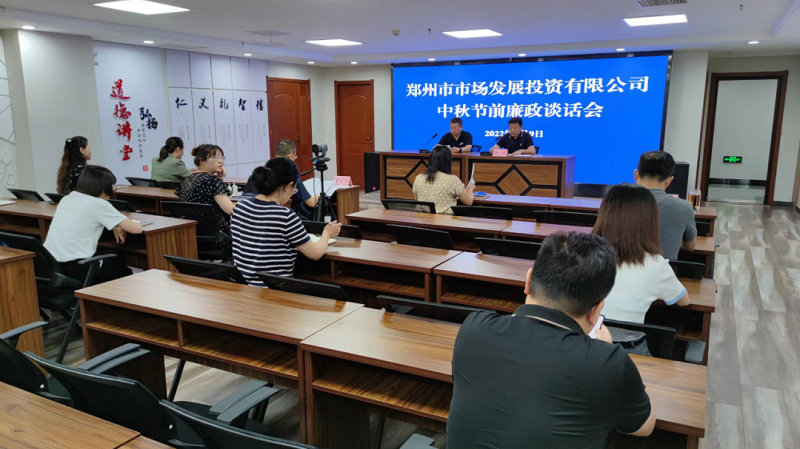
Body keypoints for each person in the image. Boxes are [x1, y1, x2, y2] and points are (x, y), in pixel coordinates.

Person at [448, 231, 656, 449]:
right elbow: (643, 426)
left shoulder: (473, 328)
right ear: (596, 311)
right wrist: (603, 354)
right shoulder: (608, 362)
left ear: (528, 281)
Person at [231, 157, 342, 286]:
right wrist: (327, 233)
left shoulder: (239, 207)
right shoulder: (285, 216)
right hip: (272, 289)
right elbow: (316, 253)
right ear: (288, 186)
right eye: (294, 190)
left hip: (242, 285)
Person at [592, 183, 690, 324]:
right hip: (626, 338)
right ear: (649, 222)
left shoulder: (583, 255)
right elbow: (684, 301)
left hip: (584, 336)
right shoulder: (656, 265)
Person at [44, 166, 142, 284]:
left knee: (111, 255)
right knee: (118, 259)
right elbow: (137, 229)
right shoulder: (98, 204)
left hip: (53, 268)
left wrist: (115, 224)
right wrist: (119, 223)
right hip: (79, 269)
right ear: (103, 187)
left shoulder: (68, 199)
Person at [634, 151, 697, 260]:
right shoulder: (684, 208)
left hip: (620, 269)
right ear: (669, 180)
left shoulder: (615, 202)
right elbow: (690, 247)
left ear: (636, 175)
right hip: (665, 270)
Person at [176, 145, 234, 253]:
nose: (220, 161)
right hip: (220, 239)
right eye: (215, 157)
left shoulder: (186, 181)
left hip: (195, 238)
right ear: (202, 160)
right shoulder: (211, 181)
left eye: (221, 157)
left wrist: (220, 178)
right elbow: (230, 210)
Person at [244, 139, 318, 217]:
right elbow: (311, 203)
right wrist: (319, 196)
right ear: (290, 155)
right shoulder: (291, 177)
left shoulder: (264, 174)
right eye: (295, 156)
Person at [412, 145, 474, 214]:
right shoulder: (453, 180)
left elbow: (417, 199)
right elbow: (469, 202)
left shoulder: (418, 178)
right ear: (448, 161)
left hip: (422, 218)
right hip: (444, 219)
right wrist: (470, 188)